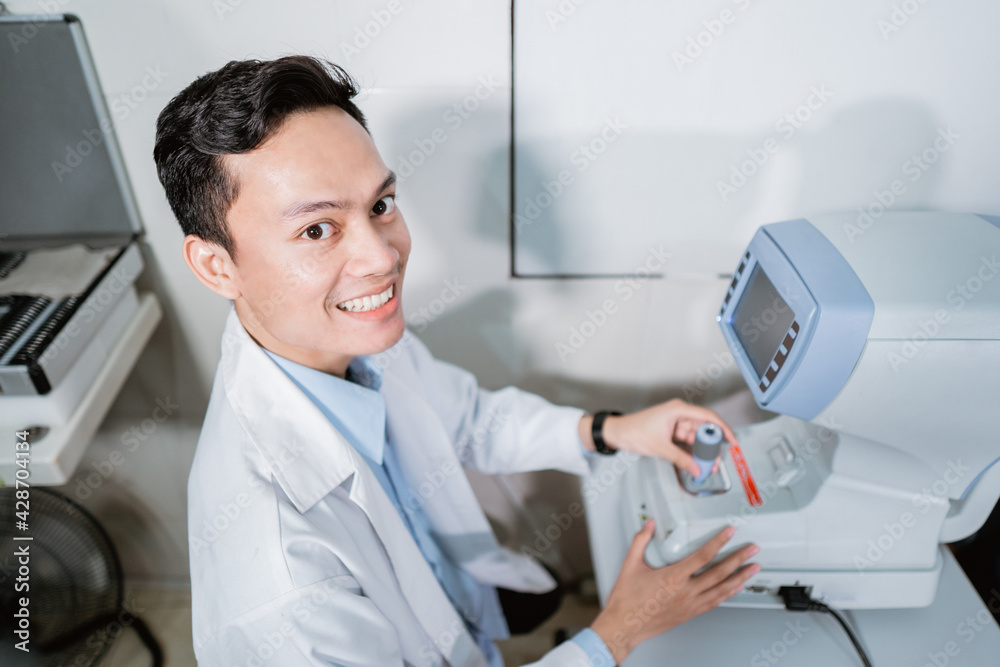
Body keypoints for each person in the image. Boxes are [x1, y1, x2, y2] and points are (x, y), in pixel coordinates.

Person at [153, 55, 759, 667]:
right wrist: (617, 635)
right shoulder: (282, 587)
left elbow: (467, 419)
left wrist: (612, 430)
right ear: (216, 266)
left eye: (381, 205)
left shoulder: (347, 341)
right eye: (318, 230)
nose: (382, 258)